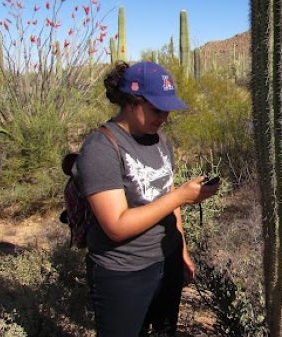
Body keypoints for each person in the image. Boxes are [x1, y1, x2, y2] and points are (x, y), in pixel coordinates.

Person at [77, 61, 219, 337]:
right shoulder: (100, 148)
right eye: (156, 109)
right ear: (131, 102)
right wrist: (180, 196)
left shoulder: (160, 140)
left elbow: (168, 198)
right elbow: (116, 225)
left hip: (166, 259)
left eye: (167, 110)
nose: (163, 116)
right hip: (123, 271)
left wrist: (181, 250)